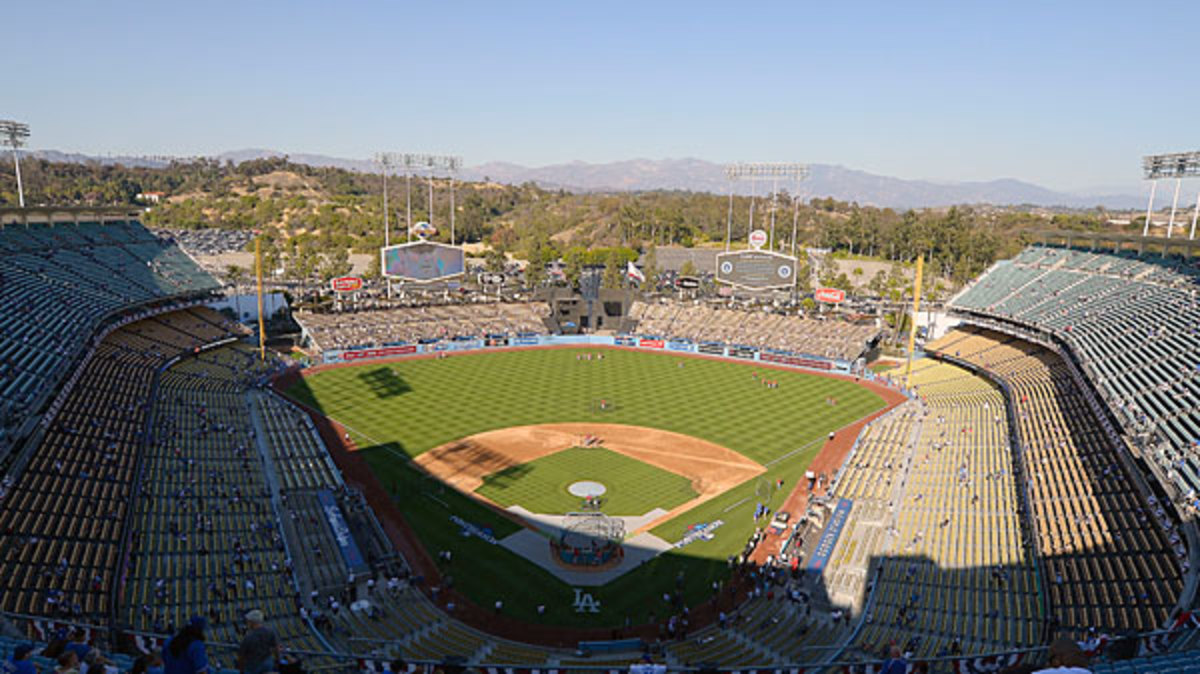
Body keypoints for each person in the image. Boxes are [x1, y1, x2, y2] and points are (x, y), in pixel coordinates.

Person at [236, 609, 279, 674]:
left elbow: (241, 656)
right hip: (268, 663)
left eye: (248, 621)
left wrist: (241, 671)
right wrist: (277, 661)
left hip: (253, 666)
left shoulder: (248, 637)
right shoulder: (270, 632)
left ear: (252, 622)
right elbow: (276, 648)